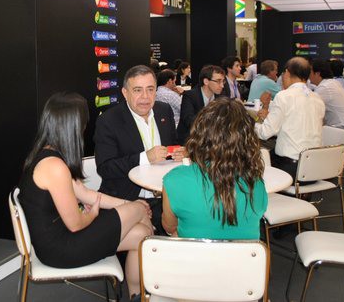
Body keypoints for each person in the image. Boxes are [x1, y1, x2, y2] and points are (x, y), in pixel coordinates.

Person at [18, 92, 153, 300]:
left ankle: (137, 296)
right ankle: (148, 288)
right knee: (138, 209)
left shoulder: (50, 155)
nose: (84, 128)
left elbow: (87, 194)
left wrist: (128, 207)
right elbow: (76, 224)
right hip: (62, 249)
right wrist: (97, 213)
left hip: (61, 240)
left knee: (142, 234)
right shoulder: (54, 167)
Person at [94, 65, 185, 232]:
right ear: (125, 93)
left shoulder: (164, 111)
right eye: (137, 90)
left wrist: (181, 153)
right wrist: (144, 158)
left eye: (150, 89)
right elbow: (105, 168)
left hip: (165, 199)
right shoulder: (109, 121)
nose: (145, 97)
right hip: (128, 199)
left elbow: (173, 146)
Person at [162, 97, 268, 239]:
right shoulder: (256, 182)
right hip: (246, 253)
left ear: (200, 134)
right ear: (248, 138)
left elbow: (169, 227)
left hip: (193, 252)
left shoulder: (174, 180)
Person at [255, 57, 325, 180]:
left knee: (254, 159)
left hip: (291, 169)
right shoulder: (317, 98)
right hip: (315, 168)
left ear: (287, 72)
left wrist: (248, 124)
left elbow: (264, 133)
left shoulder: (284, 96)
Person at [176, 65, 225, 144]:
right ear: (206, 81)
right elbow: (189, 120)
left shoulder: (221, 97)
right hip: (191, 140)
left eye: (223, 81)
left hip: (214, 141)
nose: (222, 85)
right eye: (218, 81)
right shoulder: (190, 96)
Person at [310, 59, 344, 131]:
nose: (308, 76)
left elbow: (309, 108)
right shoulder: (333, 83)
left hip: (343, 130)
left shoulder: (325, 87)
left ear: (317, 74)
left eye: (310, 72)